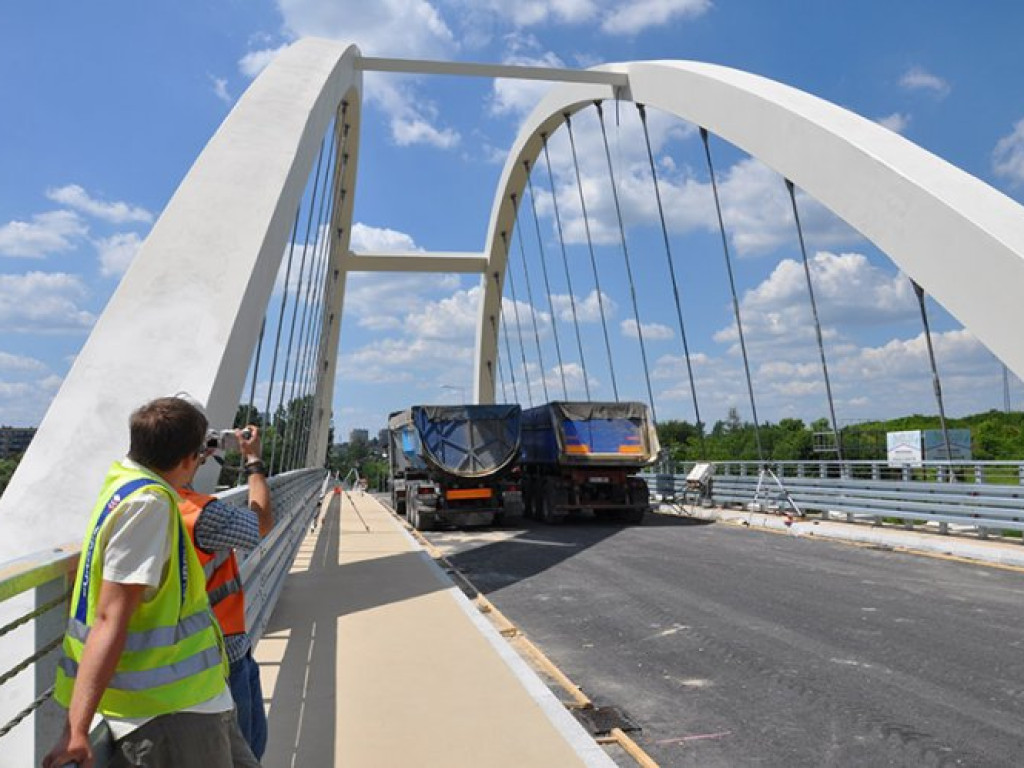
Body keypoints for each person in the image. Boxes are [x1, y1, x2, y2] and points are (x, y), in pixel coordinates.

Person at [43, 396, 259, 768]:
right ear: (191, 458)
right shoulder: (148, 505)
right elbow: (111, 617)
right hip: (168, 713)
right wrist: (75, 730)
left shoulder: (125, 482)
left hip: (196, 697)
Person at [178, 425, 272, 759]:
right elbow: (260, 523)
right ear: (192, 455)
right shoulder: (199, 513)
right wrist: (253, 460)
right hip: (221, 655)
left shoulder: (155, 503)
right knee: (245, 752)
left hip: (221, 648)